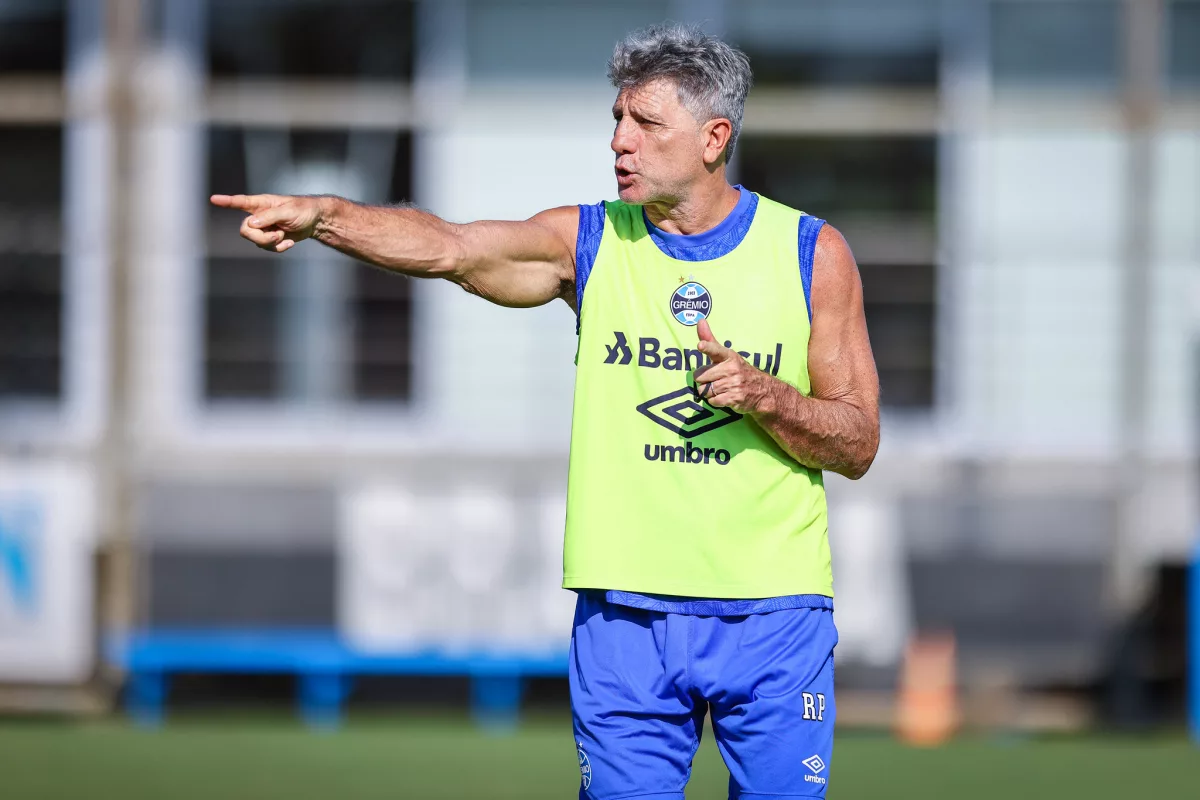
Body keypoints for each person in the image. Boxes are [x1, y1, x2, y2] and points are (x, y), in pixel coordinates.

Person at [212, 23, 879, 800]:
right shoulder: (587, 242)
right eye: (617, 120)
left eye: (646, 123)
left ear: (713, 138)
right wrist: (327, 216)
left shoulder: (810, 254)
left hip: (774, 615)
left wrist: (767, 396)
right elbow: (454, 248)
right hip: (624, 620)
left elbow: (858, 441)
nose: (620, 141)